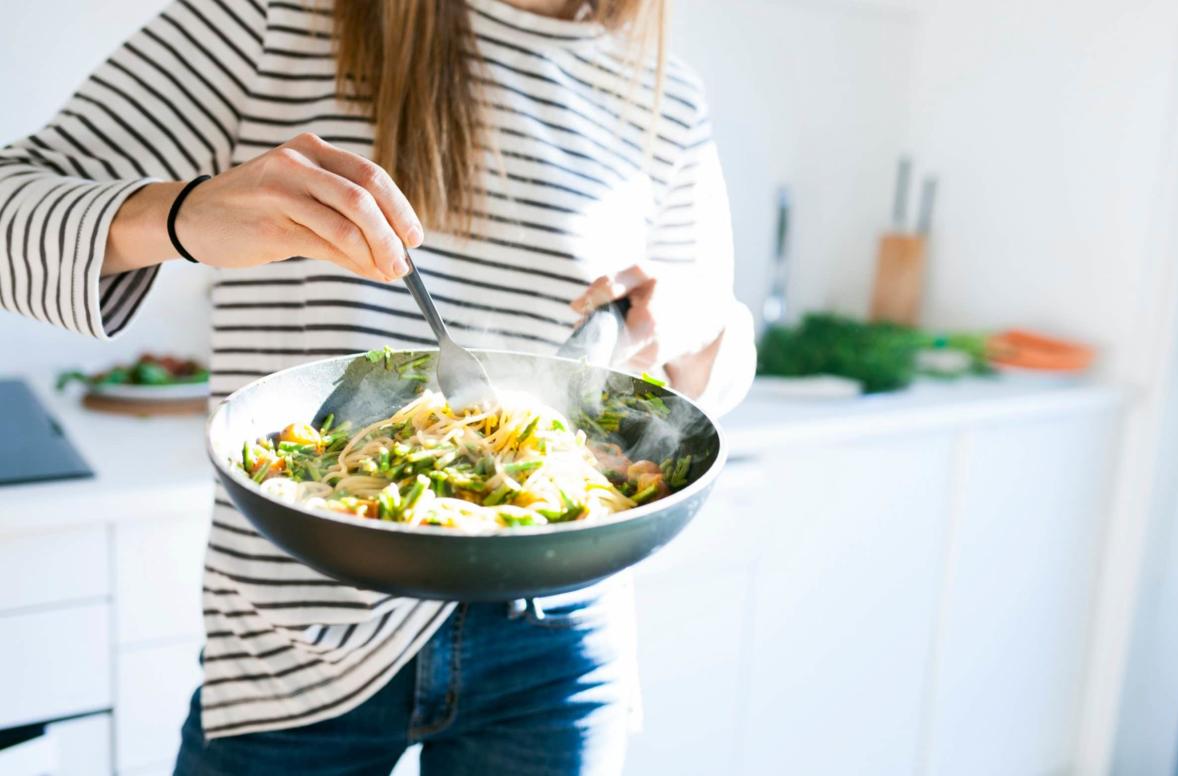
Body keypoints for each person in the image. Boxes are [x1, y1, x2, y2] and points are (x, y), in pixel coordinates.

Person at [0, 0, 755, 772]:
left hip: (555, 641)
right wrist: (183, 213)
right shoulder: (268, 21)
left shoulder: (663, 95)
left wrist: (704, 323)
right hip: (295, 637)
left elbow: (706, 385)